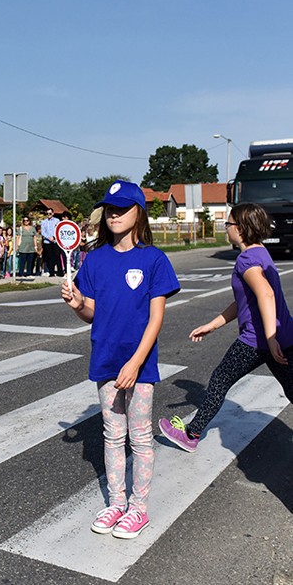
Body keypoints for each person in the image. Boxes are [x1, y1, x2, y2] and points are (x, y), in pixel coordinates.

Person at [61, 180, 180, 539]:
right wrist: (78, 304)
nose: (114, 214)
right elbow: (92, 313)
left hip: (139, 365)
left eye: (122, 208)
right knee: (112, 435)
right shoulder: (94, 260)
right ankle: (116, 503)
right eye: (110, 208)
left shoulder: (153, 259)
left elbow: (156, 318)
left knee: (140, 437)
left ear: (138, 213)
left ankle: (138, 509)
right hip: (106, 359)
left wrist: (135, 362)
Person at [159, 203, 293, 452]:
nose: (225, 228)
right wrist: (213, 324)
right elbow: (247, 300)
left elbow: (265, 294)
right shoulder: (260, 251)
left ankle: (191, 434)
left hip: (258, 340)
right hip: (284, 335)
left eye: (228, 224)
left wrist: (270, 338)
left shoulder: (246, 260)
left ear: (240, 228)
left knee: (220, 379)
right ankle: (192, 432)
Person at [41, 208, 64, 277]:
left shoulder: (57, 221)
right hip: (47, 242)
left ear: (53, 213)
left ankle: (60, 272)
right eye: (47, 214)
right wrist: (49, 237)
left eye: (50, 213)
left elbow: (58, 229)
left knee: (57, 256)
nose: (49, 215)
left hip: (55, 241)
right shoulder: (44, 222)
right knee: (49, 257)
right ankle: (51, 272)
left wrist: (54, 237)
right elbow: (43, 232)